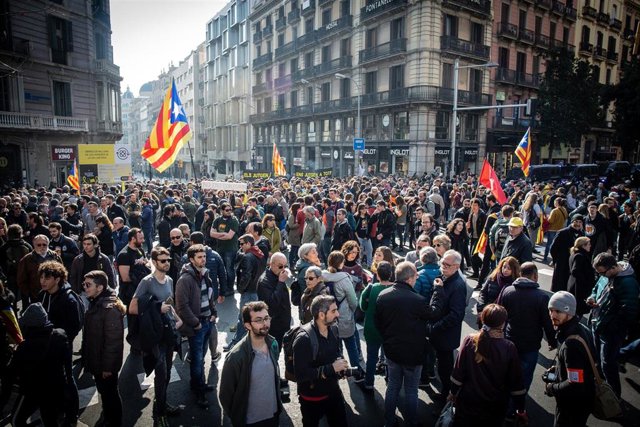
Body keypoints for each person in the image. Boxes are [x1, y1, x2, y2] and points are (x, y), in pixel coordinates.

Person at [375, 261, 445, 426]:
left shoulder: (383, 295)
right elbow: (434, 313)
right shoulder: (418, 300)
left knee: (392, 387)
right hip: (413, 354)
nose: (416, 278)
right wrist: (438, 291)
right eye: (415, 276)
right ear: (409, 278)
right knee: (411, 391)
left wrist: (387, 338)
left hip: (392, 351)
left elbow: (378, 323)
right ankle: (411, 423)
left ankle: (389, 421)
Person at [450, 304, 527, 426]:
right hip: (495, 407)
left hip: (468, 403)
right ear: (502, 324)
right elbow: (516, 382)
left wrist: (452, 393)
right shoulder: (508, 347)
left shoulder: (470, 340)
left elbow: (458, 373)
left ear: (482, 319)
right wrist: (521, 409)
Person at [129, 247, 182, 424]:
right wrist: (156, 308)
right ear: (153, 262)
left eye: (168, 260)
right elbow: (133, 308)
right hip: (153, 336)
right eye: (162, 260)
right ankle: (159, 413)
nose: (167, 263)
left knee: (166, 374)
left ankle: (163, 404)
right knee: (161, 373)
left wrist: (177, 318)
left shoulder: (170, 280)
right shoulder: (147, 282)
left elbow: (169, 303)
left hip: (168, 332)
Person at [220, 301, 283, 427]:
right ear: (247, 325)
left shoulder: (273, 344)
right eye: (259, 320)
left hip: (273, 415)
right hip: (249, 421)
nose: (265, 324)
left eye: (266, 318)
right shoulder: (236, 357)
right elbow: (225, 395)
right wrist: (237, 417)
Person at [11, 303, 72, 427]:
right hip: (54, 389)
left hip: (32, 391)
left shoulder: (25, 346)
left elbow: (13, 371)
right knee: (50, 420)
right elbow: (66, 363)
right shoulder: (60, 335)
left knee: (16, 420)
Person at [498, 262, 557, 391]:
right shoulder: (541, 297)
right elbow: (547, 322)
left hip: (510, 338)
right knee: (525, 376)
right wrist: (552, 341)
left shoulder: (508, 291)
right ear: (535, 276)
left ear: (520, 274)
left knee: (507, 373)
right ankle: (519, 406)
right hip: (530, 344)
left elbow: (500, 316)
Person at [292, 295, 350, 427]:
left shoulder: (334, 329)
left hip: (333, 393)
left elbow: (337, 353)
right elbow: (301, 375)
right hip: (312, 399)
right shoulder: (303, 339)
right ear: (322, 315)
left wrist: (341, 368)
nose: (338, 314)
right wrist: (331, 368)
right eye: (334, 311)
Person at [588, 253, 639, 397]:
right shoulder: (605, 275)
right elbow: (596, 288)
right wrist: (592, 298)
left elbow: (629, 312)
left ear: (612, 267)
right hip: (597, 324)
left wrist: (610, 326)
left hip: (610, 332)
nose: (601, 276)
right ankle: (601, 385)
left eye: (602, 273)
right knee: (598, 358)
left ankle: (614, 396)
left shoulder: (628, 283)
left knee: (607, 363)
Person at [175, 244, 218, 408]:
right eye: (200, 257)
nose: (203, 259)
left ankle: (199, 384)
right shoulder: (185, 279)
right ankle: (199, 392)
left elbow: (210, 295)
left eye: (204, 256)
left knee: (202, 358)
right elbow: (182, 307)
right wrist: (197, 323)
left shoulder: (204, 274)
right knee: (197, 361)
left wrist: (214, 313)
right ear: (191, 259)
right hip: (198, 326)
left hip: (208, 322)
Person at [81, 270, 125, 427]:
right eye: (84, 284)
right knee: (105, 394)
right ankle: (108, 417)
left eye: (88, 285)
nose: (85, 287)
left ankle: (114, 421)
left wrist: (108, 367)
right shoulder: (97, 301)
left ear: (99, 288)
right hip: (98, 360)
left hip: (105, 365)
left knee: (110, 394)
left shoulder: (109, 309)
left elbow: (113, 343)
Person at [545, 291, 596, 427]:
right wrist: (559, 368)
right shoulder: (581, 329)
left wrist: (552, 387)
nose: (553, 315)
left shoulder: (571, 344)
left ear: (570, 312)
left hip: (572, 404)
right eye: (551, 310)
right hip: (584, 399)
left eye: (558, 311)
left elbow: (575, 382)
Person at [427, 249, 467, 400]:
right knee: (442, 366)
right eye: (442, 262)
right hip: (439, 333)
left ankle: (447, 397)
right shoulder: (444, 278)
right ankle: (445, 393)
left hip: (445, 335)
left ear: (457, 267)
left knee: (445, 369)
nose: (443, 266)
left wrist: (435, 327)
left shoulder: (457, 285)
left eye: (447, 264)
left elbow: (456, 315)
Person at [322, 251, 362, 373]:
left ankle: (340, 370)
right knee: (351, 345)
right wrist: (352, 311)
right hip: (344, 316)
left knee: (336, 347)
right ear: (341, 263)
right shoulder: (344, 278)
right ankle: (356, 372)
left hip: (329, 317)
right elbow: (353, 301)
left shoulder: (323, 276)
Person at [225, 234, 266, 351]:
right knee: (254, 319)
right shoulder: (260, 254)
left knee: (243, 319)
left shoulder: (248, 257)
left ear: (249, 243)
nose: (240, 246)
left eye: (242, 244)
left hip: (248, 292)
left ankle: (237, 343)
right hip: (256, 290)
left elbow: (246, 276)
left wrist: (241, 289)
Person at [359, 261, 393, 390]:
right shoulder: (396, 288)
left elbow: (363, 307)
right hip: (389, 329)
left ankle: (369, 383)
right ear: (391, 274)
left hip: (372, 328)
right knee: (390, 358)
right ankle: (390, 381)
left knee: (372, 357)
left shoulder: (371, 288)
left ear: (377, 275)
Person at [256, 252, 292, 350]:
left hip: (283, 323)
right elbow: (272, 304)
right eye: (280, 266)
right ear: (271, 265)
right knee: (272, 352)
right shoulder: (264, 281)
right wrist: (280, 282)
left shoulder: (278, 275)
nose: (284, 269)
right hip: (274, 326)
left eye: (285, 266)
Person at [17, 234, 62, 310]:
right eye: (39, 245)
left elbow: (62, 273)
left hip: (54, 294)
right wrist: (29, 293)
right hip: (36, 295)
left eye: (44, 244)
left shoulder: (55, 256)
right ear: (34, 245)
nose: (42, 247)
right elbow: (21, 279)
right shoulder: (27, 259)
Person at [210, 202, 239, 297]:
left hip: (230, 249)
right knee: (221, 269)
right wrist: (222, 235)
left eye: (230, 210)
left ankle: (230, 288)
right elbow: (211, 233)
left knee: (229, 269)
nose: (229, 212)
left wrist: (217, 235)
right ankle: (223, 287)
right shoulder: (217, 220)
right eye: (227, 210)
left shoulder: (234, 220)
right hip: (220, 248)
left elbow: (229, 236)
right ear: (222, 211)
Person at [115, 228, 150, 307]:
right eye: (140, 238)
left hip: (141, 290)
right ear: (133, 239)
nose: (143, 240)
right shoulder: (124, 255)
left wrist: (144, 263)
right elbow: (125, 278)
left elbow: (148, 264)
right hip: (129, 294)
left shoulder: (140, 250)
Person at [549, 214, 585, 292]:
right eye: (576, 221)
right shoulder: (562, 232)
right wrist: (556, 260)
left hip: (573, 264)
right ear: (572, 222)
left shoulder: (581, 234)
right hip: (562, 262)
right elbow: (553, 248)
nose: (578, 224)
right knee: (559, 286)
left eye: (580, 222)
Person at [567, 237, 595, 316]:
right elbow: (575, 271)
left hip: (575, 285)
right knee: (578, 310)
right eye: (588, 244)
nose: (590, 246)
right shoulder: (580, 256)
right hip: (578, 288)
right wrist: (585, 281)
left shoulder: (576, 254)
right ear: (583, 246)